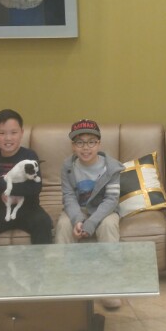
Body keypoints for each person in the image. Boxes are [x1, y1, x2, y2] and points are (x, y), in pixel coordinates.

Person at [57, 119, 124, 309]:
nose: (85, 147)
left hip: (104, 210)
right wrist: (78, 219)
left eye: (91, 142)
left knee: (109, 226)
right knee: (63, 225)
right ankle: (64, 285)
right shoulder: (68, 166)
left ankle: (109, 288)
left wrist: (91, 223)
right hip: (78, 209)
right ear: (73, 146)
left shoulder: (111, 167)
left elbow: (111, 200)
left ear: (99, 144)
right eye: (79, 142)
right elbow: (69, 196)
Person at [0, 109, 53, 246]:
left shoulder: (29, 156)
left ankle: (39, 261)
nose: (8, 138)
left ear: (21, 133)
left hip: (29, 208)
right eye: (2, 133)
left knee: (43, 222)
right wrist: (0, 193)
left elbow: (35, 188)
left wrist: (4, 186)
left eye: (13, 133)